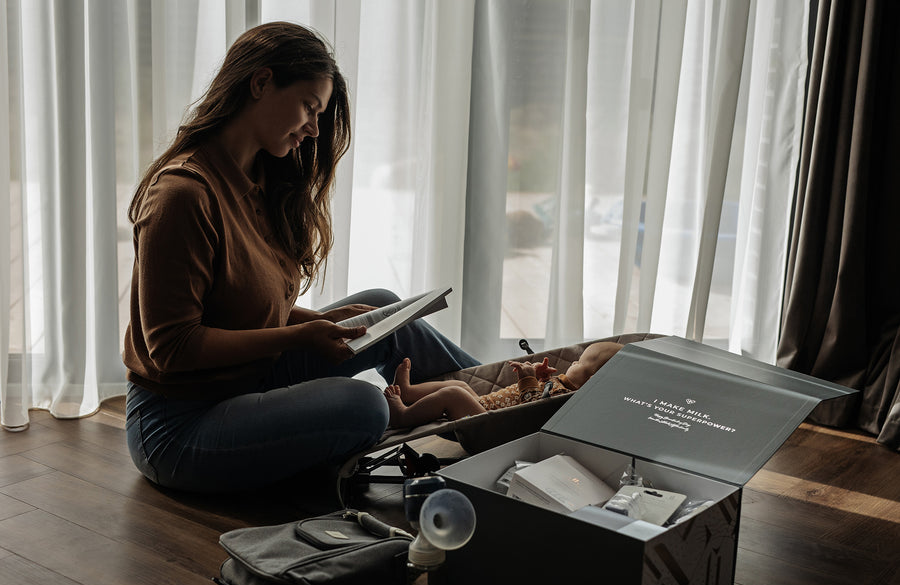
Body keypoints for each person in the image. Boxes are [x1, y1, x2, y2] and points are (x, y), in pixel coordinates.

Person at [122, 22, 478, 494]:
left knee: (386, 311)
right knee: (366, 406)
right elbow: (172, 349)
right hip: (180, 425)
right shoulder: (182, 196)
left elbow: (237, 308)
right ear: (261, 82)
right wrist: (302, 336)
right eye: (310, 106)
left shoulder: (261, 180)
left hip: (246, 380)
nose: (314, 128)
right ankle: (513, 423)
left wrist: (314, 325)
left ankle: (509, 406)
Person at [383, 341, 622, 428]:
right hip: (485, 408)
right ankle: (410, 392)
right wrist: (539, 377)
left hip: (492, 425)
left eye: (580, 362)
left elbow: (533, 410)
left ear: (592, 381)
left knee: (454, 393)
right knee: (461, 386)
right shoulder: (559, 386)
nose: (573, 361)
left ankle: (403, 416)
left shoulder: (566, 399)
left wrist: (528, 380)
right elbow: (539, 394)